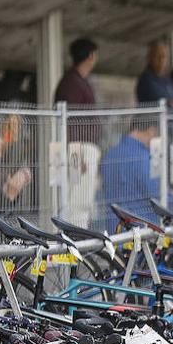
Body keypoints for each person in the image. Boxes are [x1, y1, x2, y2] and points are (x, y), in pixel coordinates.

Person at [56, 38, 100, 224]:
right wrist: (76, 156)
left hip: (81, 149)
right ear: (91, 55)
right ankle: (74, 241)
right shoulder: (72, 83)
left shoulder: (76, 81)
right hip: (78, 151)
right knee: (77, 201)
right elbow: (68, 123)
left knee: (82, 200)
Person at [96, 120, 160, 232]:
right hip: (142, 232)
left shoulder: (109, 155)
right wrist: (171, 197)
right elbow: (155, 194)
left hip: (114, 229)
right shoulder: (146, 158)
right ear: (151, 131)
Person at [136, 40, 173, 105]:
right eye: (157, 56)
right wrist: (171, 103)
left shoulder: (168, 80)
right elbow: (157, 101)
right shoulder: (146, 80)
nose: (161, 60)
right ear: (149, 58)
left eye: (164, 56)